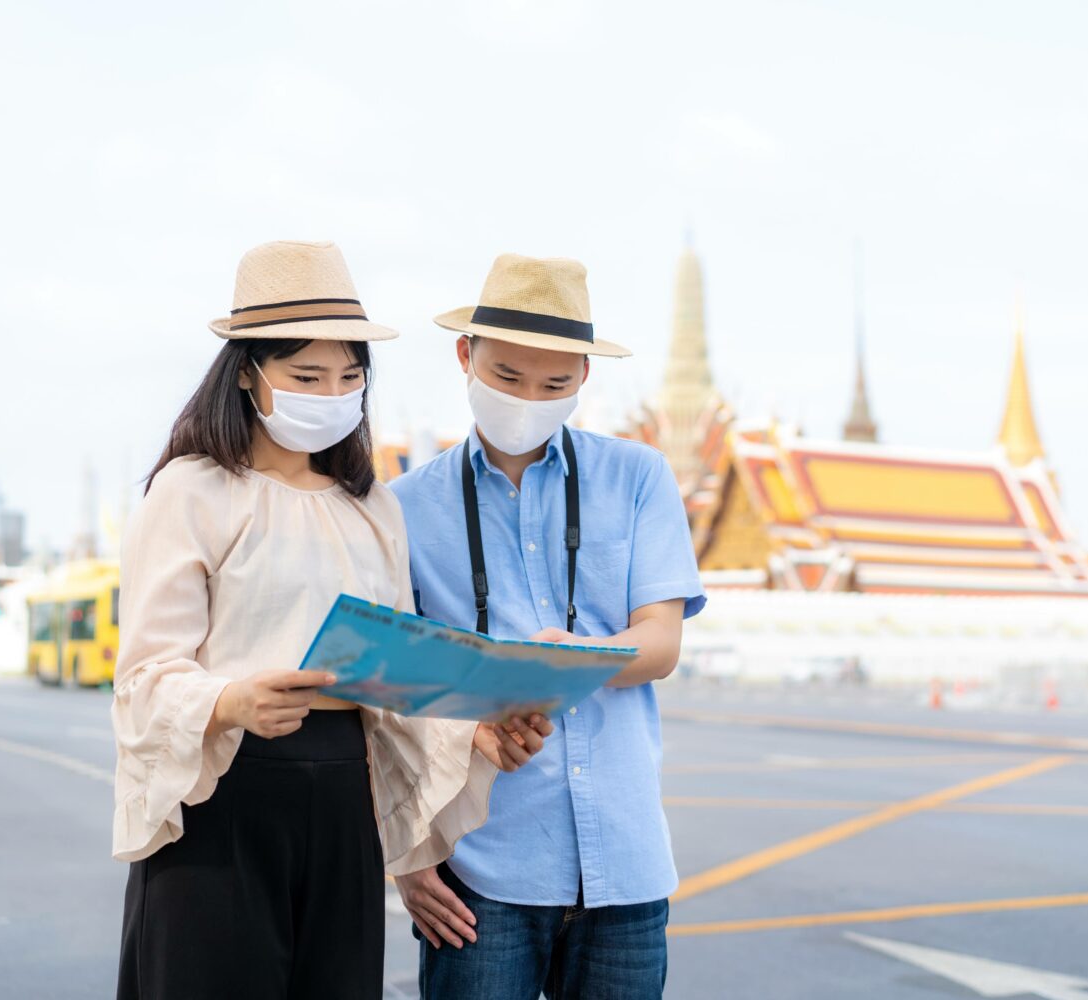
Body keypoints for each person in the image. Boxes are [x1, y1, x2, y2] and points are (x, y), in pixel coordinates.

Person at [111, 240, 553, 1000]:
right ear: (248, 371)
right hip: (226, 788)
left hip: (345, 791)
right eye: (307, 376)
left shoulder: (370, 505)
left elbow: (393, 677)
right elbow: (145, 678)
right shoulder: (192, 491)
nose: (334, 392)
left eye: (350, 377)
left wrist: (479, 726)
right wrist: (230, 700)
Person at [390, 254, 706, 999]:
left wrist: (569, 655)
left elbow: (659, 644)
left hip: (625, 867)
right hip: (478, 867)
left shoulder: (638, 476)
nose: (529, 398)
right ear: (465, 356)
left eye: (555, 385)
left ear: (584, 379)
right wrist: (407, 854)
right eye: (506, 377)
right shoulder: (401, 506)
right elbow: (395, 686)